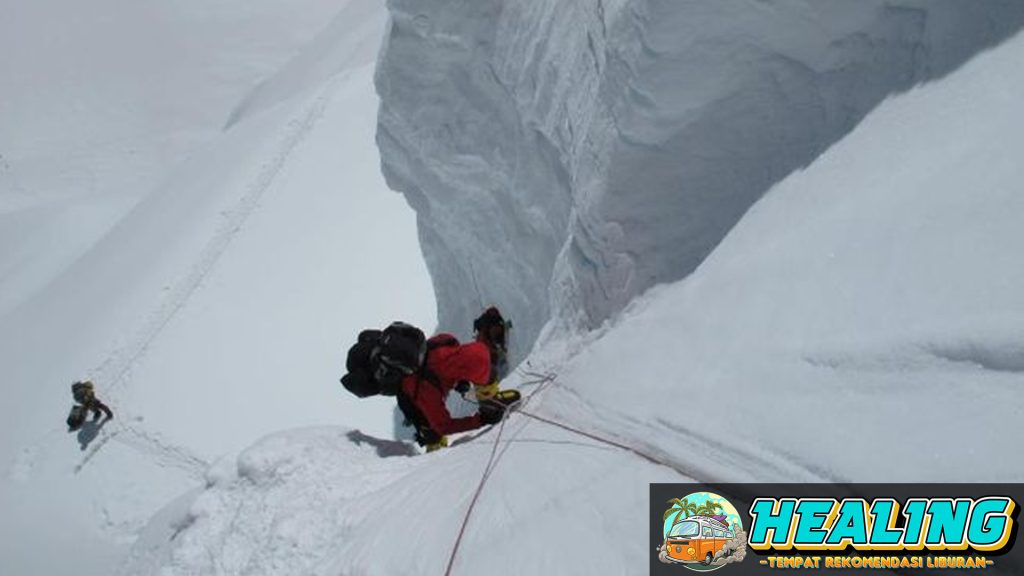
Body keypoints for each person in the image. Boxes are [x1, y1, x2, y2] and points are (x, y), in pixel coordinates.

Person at [396, 307, 513, 452]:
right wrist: (481, 420)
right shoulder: (427, 391)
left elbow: (456, 363)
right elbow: (444, 426)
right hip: (411, 398)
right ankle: (434, 460)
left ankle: (490, 401)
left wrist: (458, 380)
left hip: (423, 378)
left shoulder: (447, 341)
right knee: (433, 434)